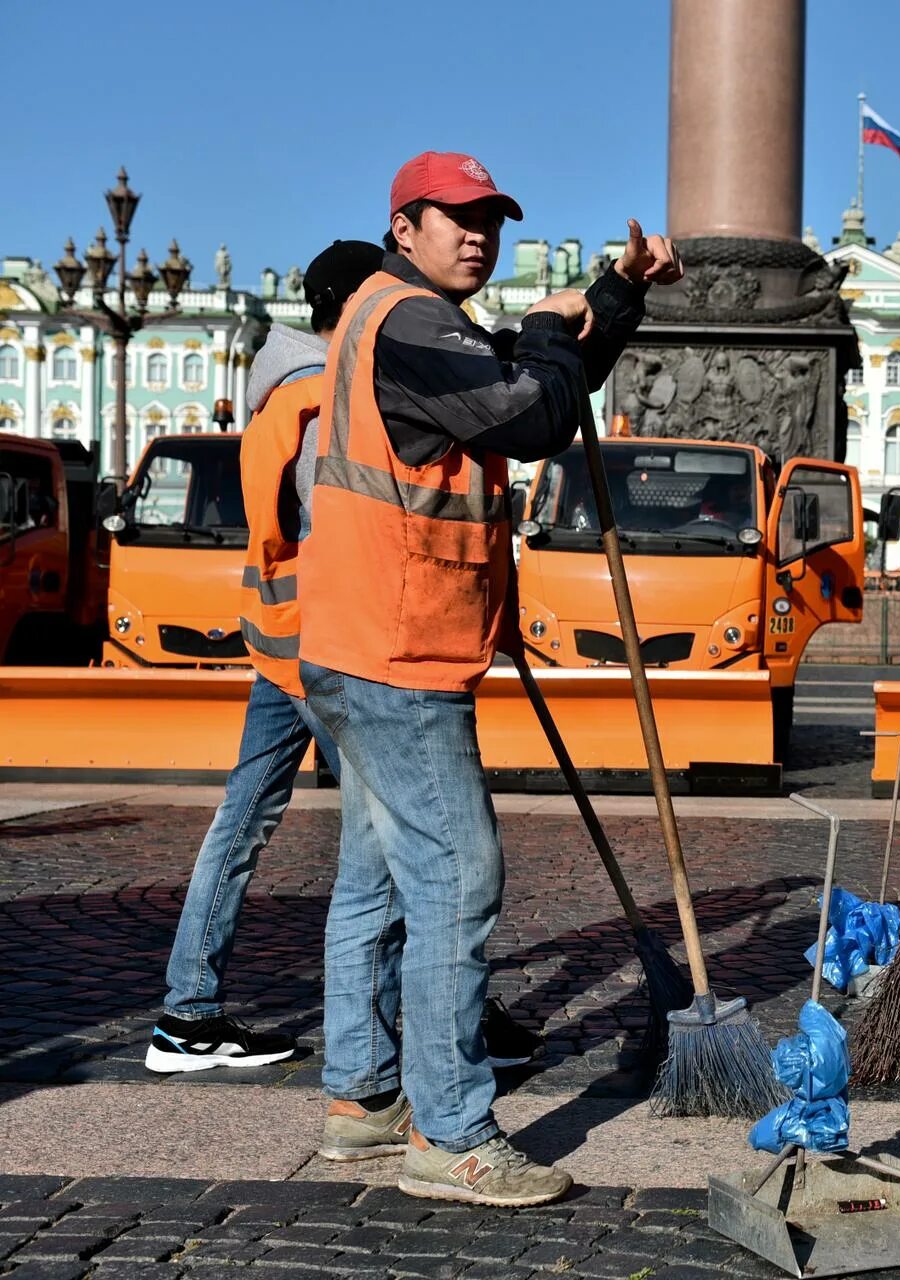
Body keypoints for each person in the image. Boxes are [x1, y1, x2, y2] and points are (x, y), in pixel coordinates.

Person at [297, 152, 681, 1207]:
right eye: (456, 218)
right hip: (400, 647)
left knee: (376, 880)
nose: (477, 235)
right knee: (458, 878)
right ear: (404, 225)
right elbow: (532, 412)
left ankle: (361, 1099)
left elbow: (526, 384)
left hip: (355, 638)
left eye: (490, 220)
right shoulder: (414, 321)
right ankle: (451, 1130)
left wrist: (615, 296)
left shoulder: (396, 317)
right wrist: (559, 333)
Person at [146, 241, 538, 1079]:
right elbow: (356, 524)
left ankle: (195, 1007)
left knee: (257, 824)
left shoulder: (282, 388)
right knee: (394, 852)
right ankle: (421, 1026)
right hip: (338, 641)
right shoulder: (331, 394)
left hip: (279, 636)